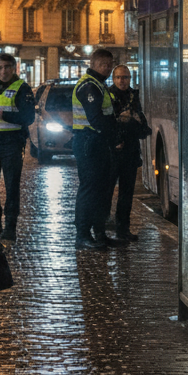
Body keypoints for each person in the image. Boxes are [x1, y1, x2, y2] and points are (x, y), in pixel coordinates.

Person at [72, 48, 126, 250]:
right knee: (89, 189)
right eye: (103, 64)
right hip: (89, 142)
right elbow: (96, 118)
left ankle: (100, 234)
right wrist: (114, 136)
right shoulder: (88, 86)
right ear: (93, 64)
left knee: (102, 190)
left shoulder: (99, 85)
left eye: (110, 64)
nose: (107, 68)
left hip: (98, 143)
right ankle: (83, 235)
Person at [0, 52, 35, 244]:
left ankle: (10, 228)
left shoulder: (22, 88)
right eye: (0, 67)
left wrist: (4, 116)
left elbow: (28, 117)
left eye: (7, 67)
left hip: (12, 142)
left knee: (12, 186)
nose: (3, 71)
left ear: (13, 69)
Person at [107, 65, 152, 242]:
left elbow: (142, 125)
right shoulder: (108, 95)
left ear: (130, 79)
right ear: (113, 79)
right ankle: (102, 228)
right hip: (112, 152)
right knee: (106, 192)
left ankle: (123, 229)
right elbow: (105, 123)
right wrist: (121, 120)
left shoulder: (134, 96)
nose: (122, 81)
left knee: (126, 194)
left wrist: (133, 120)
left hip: (130, 152)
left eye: (125, 77)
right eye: (118, 77)